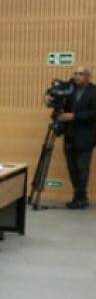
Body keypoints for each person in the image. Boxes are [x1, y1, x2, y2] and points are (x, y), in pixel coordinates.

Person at [59, 65, 95, 209]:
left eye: (80, 74)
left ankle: (81, 197)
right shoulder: (70, 90)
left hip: (85, 137)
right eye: (75, 73)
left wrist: (74, 116)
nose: (76, 76)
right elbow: (62, 106)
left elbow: (94, 113)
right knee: (72, 168)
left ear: (88, 76)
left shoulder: (94, 91)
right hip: (69, 135)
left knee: (82, 168)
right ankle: (79, 196)